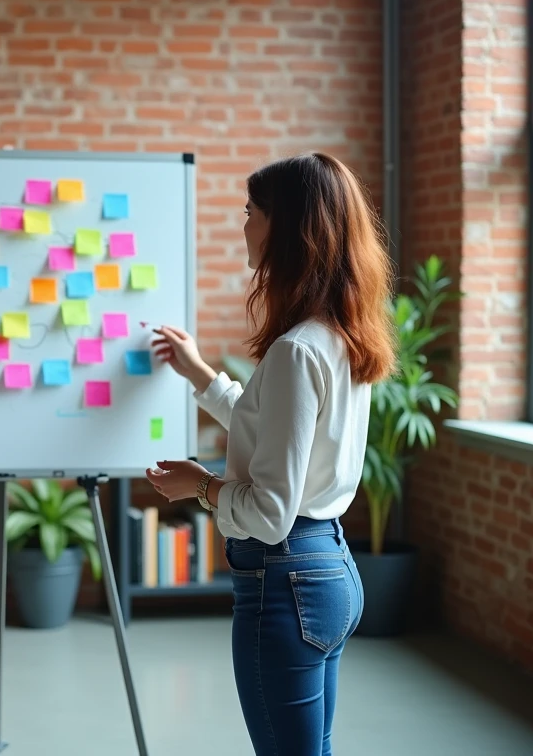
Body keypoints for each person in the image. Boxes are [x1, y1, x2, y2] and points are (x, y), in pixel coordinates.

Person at [144, 152, 395, 755]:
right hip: (328, 569)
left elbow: (270, 510)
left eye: (250, 212)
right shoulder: (337, 334)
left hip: (284, 581)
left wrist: (200, 485)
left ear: (288, 228)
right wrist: (201, 373)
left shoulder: (296, 351)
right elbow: (281, 437)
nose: (243, 224)